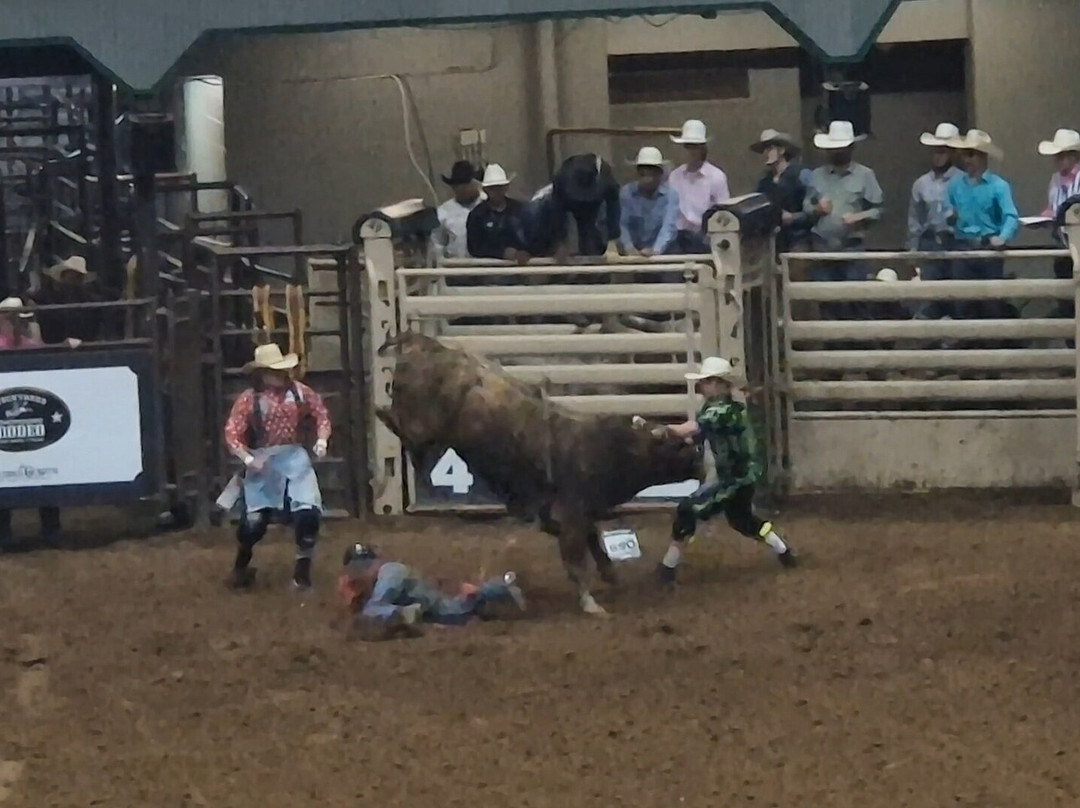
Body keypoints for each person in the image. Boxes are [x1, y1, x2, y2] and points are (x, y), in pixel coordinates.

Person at [647, 356, 797, 585]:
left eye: (706, 382)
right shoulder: (717, 409)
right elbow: (698, 433)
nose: (702, 386)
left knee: (688, 509)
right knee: (742, 520)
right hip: (741, 475)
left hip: (736, 477)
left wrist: (662, 430)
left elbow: (692, 428)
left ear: (718, 384)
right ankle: (783, 550)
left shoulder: (723, 411)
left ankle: (668, 567)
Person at [220, 342, 332, 591]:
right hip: (264, 460)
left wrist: (322, 439)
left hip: (294, 458)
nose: (281, 375)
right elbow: (232, 433)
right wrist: (248, 459)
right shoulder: (249, 400)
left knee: (308, 514)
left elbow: (320, 413)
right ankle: (242, 564)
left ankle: (302, 575)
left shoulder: (300, 393)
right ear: (262, 374)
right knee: (254, 524)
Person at [337, 542, 527, 640]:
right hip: (418, 595)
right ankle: (493, 591)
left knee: (454, 611)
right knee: (451, 610)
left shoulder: (386, 575)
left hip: (419, 598)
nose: (361, 570)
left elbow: (371, 608)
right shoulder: (380, 575)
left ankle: (500, 586)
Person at [0, 297, 64, 550]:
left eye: (22, 319)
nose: (19, 324)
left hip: (24, 416)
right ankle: (5, 530)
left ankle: (50, 528)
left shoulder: (32, 345)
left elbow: (46, 359)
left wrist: (66, 347)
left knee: (44, 460)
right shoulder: (26, 345)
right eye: (12, 319)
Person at [804, 120, 884, 322]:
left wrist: (859, 217)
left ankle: (857, 349)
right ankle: (832, 349)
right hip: (822, 249)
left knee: (855, 301)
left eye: (840, 148)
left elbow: (878, 210)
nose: (836, 152)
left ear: (851, 148)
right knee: (827, 302)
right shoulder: (816, 176)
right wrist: (817, 209)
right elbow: (806, 206)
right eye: (833, 149)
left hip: (851, 249)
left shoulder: (865, 175)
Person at [944, 129, 1019, 321]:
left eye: (971, 155)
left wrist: (1002, 237)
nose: (967, 160)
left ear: (983, 156)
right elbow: (947, 211)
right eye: (965, 155)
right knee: (962, 303)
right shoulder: (954, 185)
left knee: (991, 304)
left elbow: (1010, 215)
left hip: (988, 248)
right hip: (962, 247)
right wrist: (949, 218)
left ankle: (992, 346)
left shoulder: (998, 185)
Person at [908, 123, 962, 321]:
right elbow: (915, 220)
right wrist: (912, 253)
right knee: (930, 297)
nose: (938, 156)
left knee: (957, 296)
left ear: (954, 153)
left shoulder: (963, 181)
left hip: (956, 242)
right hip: (929, 242)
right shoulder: (921, 183)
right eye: (935, 151)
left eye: (943, 151)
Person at [667, 120, 731, 253]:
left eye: (695, 147)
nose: (691, 151)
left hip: (704, 237)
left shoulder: (716, 177)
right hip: (677, 237)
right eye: (688, 146)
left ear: (703, 148)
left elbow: (723, 211)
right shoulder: (674, 176)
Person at [1037, 128, 1080, 321]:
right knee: (1065, 299)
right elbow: (1053, 208)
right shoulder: (1055, 179)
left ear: (1073, 156)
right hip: (1062, 245)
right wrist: (1045, 217)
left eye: (1061, 155)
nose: (1057, 160)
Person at [548, 153, 621, 260]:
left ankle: (593, 271)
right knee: (560, 249)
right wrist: (560, 241)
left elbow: (613, 206)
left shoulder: (605, 176)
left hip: (594, 205)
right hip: (566, 202)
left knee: (591, 241)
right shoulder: (561, 179)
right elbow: (556, 210)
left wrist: (612, 238)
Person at [751, 129, 813, 252]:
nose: (765, 153)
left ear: (782, 150)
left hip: (800, 238)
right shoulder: (764, 182)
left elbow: (815, 208)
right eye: (764, 149)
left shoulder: (802, 175)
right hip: (774, 241)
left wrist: (794, 217)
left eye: (769, 148)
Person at [31, 256, 109, 344]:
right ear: (63, 277)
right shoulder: (48, 297)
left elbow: (95, 326)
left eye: (78, 277)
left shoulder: (90, 301)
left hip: (85, 345)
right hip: (55, 346)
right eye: (71, 277)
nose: (74, 280)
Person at [618, 146, 679, 258]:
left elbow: (669, 226)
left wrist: (656, 250)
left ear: (660, 174)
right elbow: (622, 224)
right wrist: (629, 248)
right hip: (633, 254)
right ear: (638, 173)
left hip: (665, 254)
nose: (647, 177)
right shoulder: (626, 193)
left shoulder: (671, 195)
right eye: (643, 173)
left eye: (652, 173)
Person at [465, 163, 531, 264]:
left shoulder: (520, 210)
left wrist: (525, 252)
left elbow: (532, 236)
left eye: (499, 187)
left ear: (506, 187)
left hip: (520, 268)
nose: (496, 191)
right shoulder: (477, 215)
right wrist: (501, 253)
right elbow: (474, 247)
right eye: (492, 188)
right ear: (485, 190)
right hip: (489, 271)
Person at [431, 160, 486, 261]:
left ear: (475, 183)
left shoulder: (488, 205)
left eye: (466, 184)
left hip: (488, 268)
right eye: (457, 185)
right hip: (456, 268)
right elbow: (437, 243)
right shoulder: (443, 212)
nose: (462, 188)